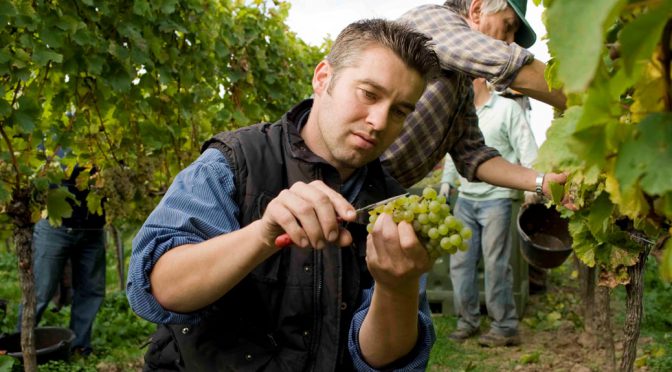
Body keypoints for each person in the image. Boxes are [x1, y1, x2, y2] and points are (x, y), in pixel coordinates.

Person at [127, 19, 441, 371]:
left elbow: (380, 361)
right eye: (369, 94)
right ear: (323, 78)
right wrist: (261, 235)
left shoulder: (393, 208)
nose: (380, 121)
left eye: (400, 111)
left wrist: (397, 288)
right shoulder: (234, 161)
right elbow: (157, 289)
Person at [380, 0, 570, 209]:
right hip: (345, 177)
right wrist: (584, 102)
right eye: (507, 27)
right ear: (477, 10)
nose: (510, 42)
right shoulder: (434, 20)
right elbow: (505, 62)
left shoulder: (462, 89)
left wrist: (541, 182)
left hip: (375, 194)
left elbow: (474, 156)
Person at [440, 78, 538, 347]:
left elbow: (526, 146)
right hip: (466, 200)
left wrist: (534, 185)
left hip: (498, 200)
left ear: (481, 79)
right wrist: (447, 182)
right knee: (460, 263)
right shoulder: (460, 111)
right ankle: (467, 321)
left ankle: (505, 327)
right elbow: (453, 152)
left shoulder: (507, 109)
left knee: (496, 264)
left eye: (465, 78)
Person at [17, 162, 106, 356]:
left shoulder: (102, 141)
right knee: (40, 290)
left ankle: (79, 348)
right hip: (54, 226)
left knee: (91, 290)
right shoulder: (55, 141)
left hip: (93, 227)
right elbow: (45, 173)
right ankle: (19, 347)